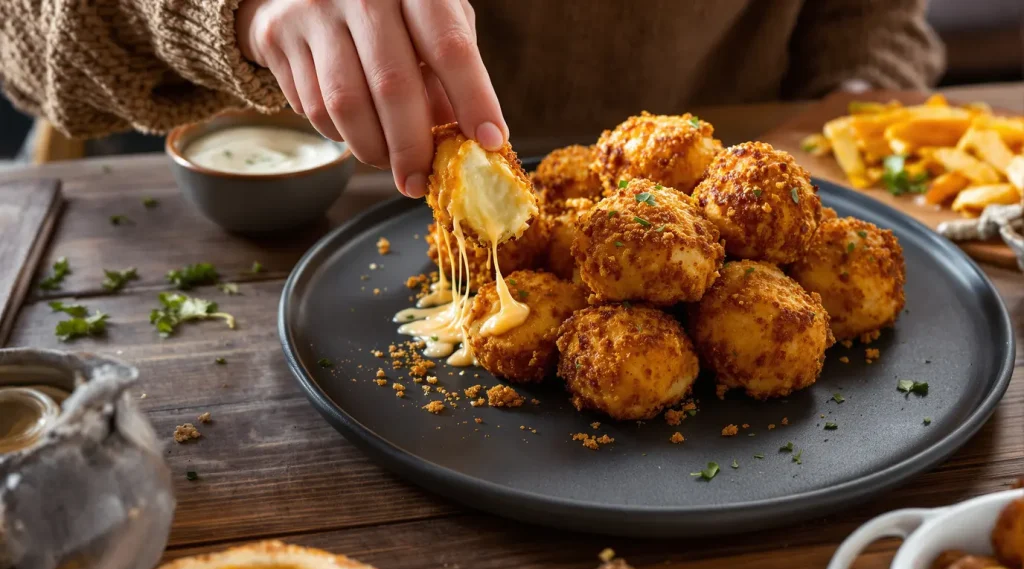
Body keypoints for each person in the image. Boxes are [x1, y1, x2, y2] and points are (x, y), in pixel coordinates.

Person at [0, 0, 943, 198]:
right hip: (312, 208)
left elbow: (869, 16)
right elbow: (24, 37)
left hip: (751, 165)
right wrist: (236, 10)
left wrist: (860, 109)